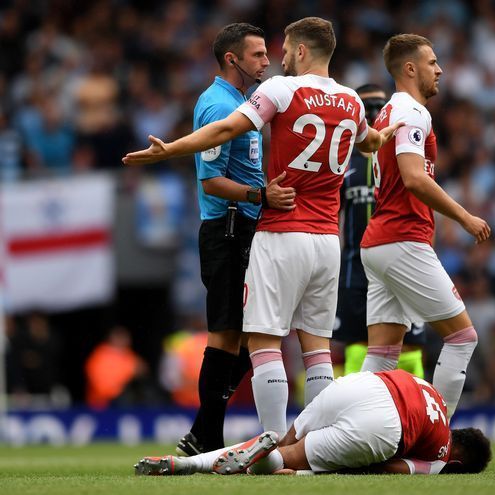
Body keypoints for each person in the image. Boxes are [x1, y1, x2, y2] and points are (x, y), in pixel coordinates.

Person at [123, 17, 401, 437]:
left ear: (302, 51)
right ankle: (314, 442)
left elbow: (227, 128)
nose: (279, 58)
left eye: (285, 49)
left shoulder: (280, 90)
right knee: (317, 349)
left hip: (282, 230)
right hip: (328, 238)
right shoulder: (353, 101)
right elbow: (369, 143)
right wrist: (388, 132)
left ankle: (272, 445)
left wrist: (170, 150)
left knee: (264, 342)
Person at [172, 23, 296, 456]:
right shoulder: (215, 106)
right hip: (226, 229)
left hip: (245, 227)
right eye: (259, 54)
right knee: (226, 336)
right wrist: (261, 195)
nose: (267, 61)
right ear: (232, 59)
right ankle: (206, 433)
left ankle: (203, 431)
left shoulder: (243, 104)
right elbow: (211, 181)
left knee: (251, 335)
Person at [359, 34, 491, 418]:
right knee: (463, 337)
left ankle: (347, 428)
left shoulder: (386, 114)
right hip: (402, 239)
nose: (440, 70)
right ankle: (436, 435)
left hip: (379, 243)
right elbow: (414, 178)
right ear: (410, 69)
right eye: (433, 62)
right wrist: (464, 217)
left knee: (382, 356)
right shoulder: (413, 112)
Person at [134, 369, 492, 476]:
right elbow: (392, 470)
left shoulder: (434, 395)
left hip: (361, 384)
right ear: (459, 461)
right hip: (384, 424)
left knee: (284, 442)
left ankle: (188, 462)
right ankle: (271, 464)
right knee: (287, 461)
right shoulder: (443, 455)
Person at [336, 83, 425, 377]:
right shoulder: (341, 163)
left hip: (400, 261)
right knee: (358, 347)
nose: (374, 113)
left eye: (379, 106)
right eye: (366, 107)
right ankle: (355, 415)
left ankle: (415, 418)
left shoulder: (403, 158)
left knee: (410, 348)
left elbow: (424, 208)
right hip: (354, 270)